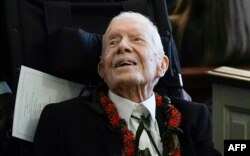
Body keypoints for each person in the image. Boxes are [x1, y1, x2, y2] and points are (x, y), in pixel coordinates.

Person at [34, 11, 221, 156]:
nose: (123, 47)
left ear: (162, 65)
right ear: (102, 69)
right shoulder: (63, 121)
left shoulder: (193, 117)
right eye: (112, 43)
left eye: (137, 39)